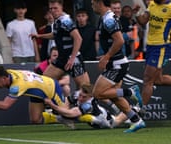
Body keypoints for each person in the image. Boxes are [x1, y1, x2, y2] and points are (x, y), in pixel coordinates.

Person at [91, 0, 145, 133]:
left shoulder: (108, 19)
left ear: (99, 3)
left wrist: (107, 56)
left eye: (93, 3)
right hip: (115, 63)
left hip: (117, 64)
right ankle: (136, 120)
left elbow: (120, 40)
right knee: (114, 96)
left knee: (97, 93)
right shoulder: (106, 18)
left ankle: (131, 91)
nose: (92, 6)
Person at [31, 0, 90, 97]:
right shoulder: (57, 21)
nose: (53, 11)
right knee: (44, 81)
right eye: (51, 9)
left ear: (61, 7)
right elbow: (55, 35)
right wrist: (39, 36)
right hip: (61, 58)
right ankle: (51, 105)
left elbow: (78, 38)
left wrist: (72, 58)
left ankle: (97, 109)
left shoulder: (66, 21)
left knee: (85, 88)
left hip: (73, 59)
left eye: (55, 8)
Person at [0, 66, 69, 124]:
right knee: (35, 120)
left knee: (69, 117)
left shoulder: (17, 85)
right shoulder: (7, 73)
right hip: (37, 91)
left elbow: (5, 105)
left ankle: (77, 110)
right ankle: (57, 118)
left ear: (4, 78)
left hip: (51, 88)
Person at [134, 0, 171, 106]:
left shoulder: (169, 7)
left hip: (161, 48)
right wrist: (137, 13)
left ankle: (139, 111)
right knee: (158, 80)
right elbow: (143, 21)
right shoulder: (152, 4)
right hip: (150, 46)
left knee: (147, 79)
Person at [43, 83, 112, 129]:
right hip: (86, 115)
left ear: (90, 97)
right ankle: (60, 119)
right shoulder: (77, 94)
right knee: (70, 114)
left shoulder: (88, 105)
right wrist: (63, 113)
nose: (80, 98)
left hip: (105, 120)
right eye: (80, 95)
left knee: (85, 117)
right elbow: (66, 103)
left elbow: (70, 114)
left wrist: (51, 105)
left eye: (84, 97)